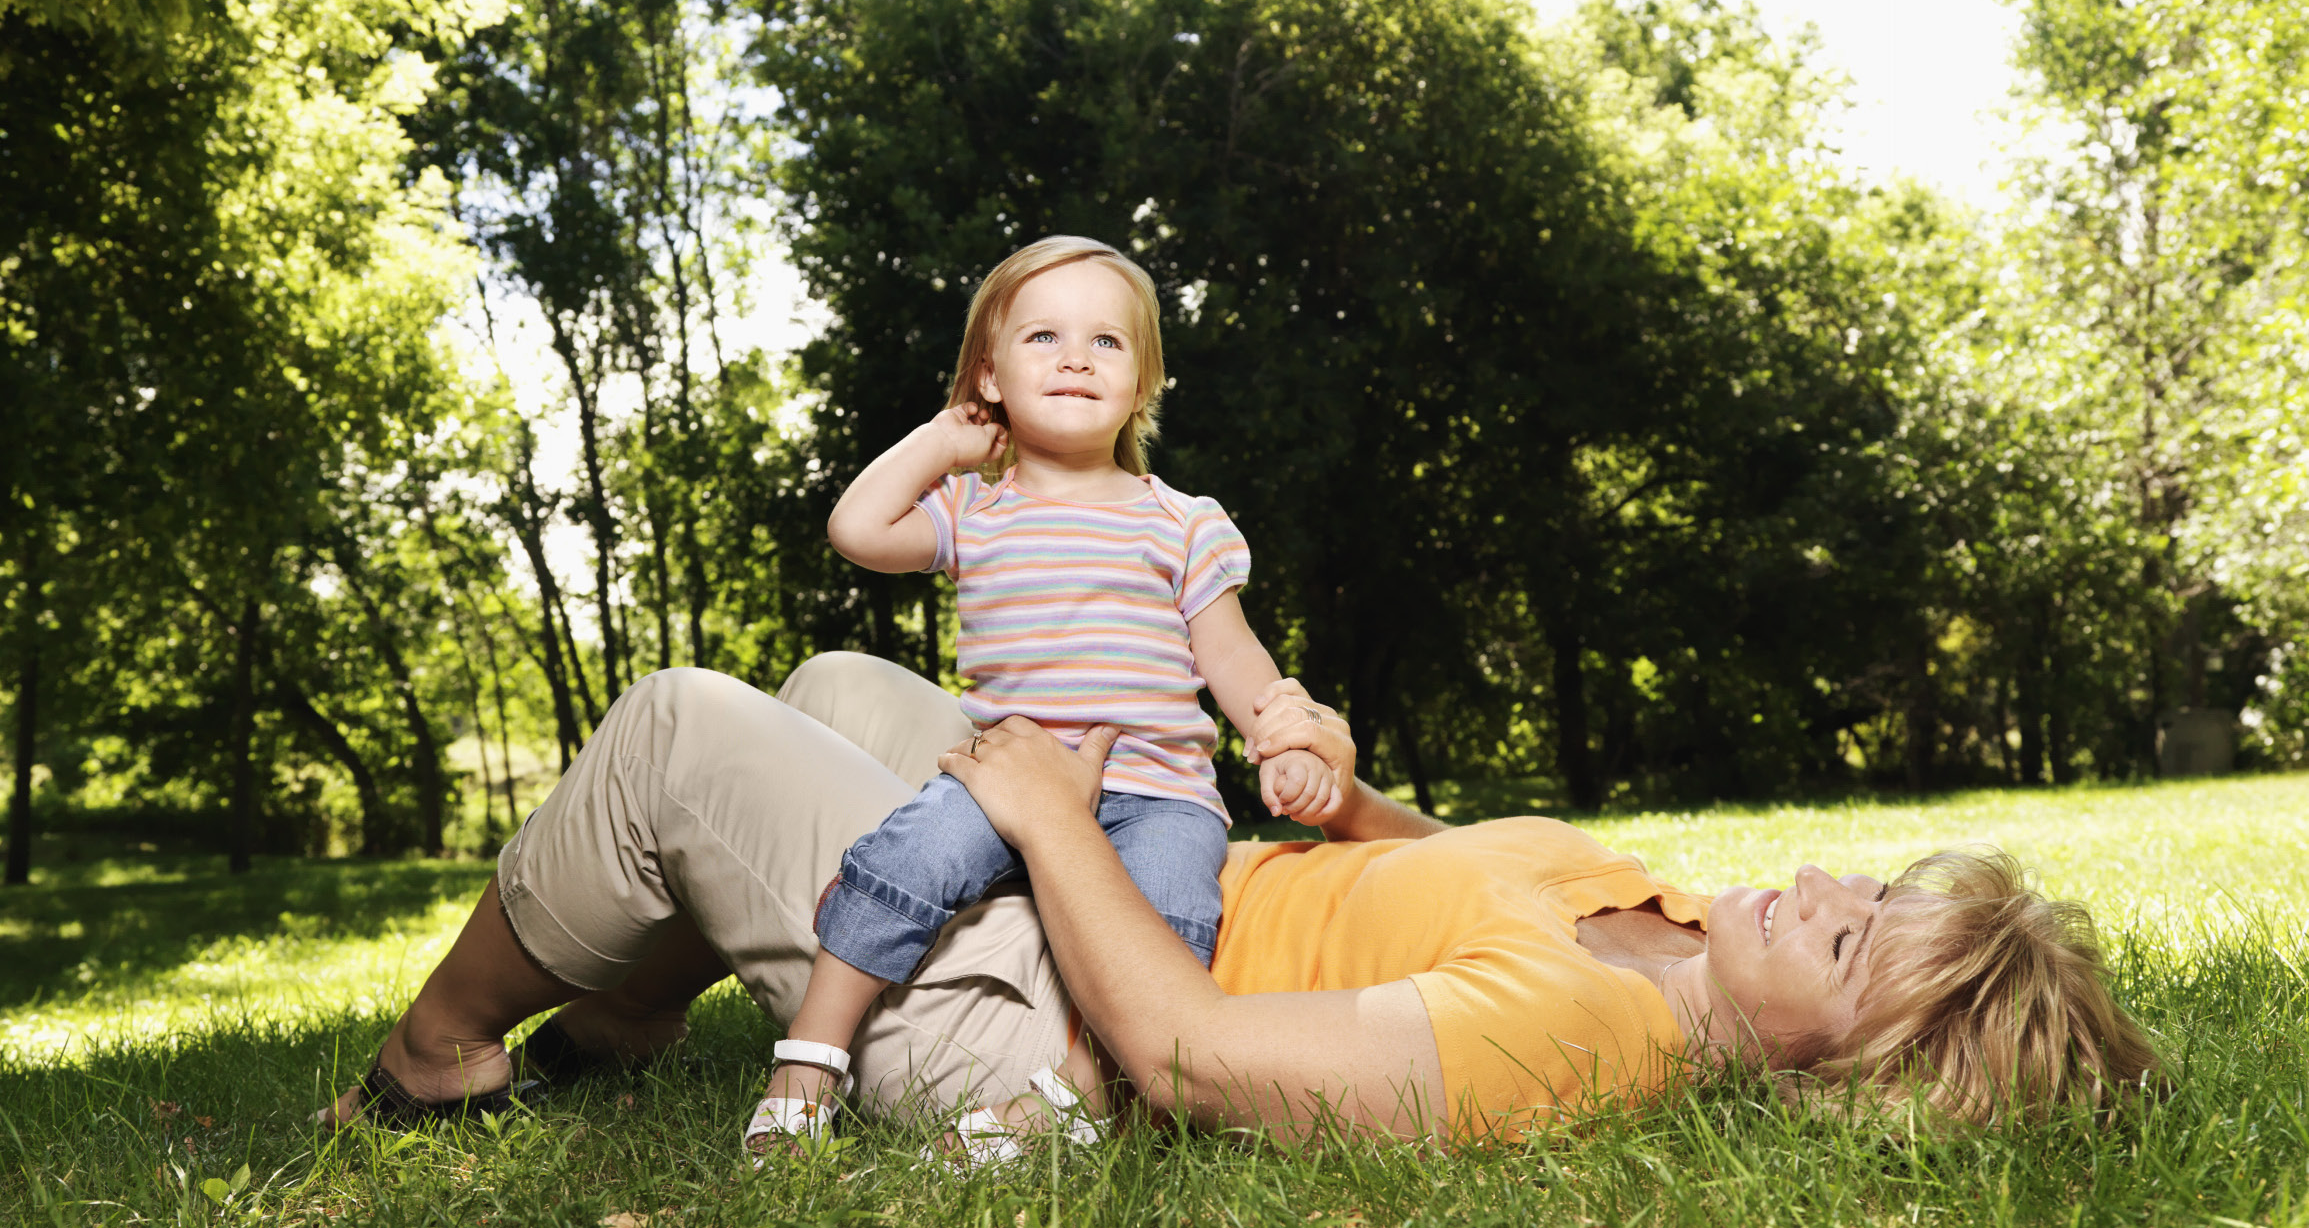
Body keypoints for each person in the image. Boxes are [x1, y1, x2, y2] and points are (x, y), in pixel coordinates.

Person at [321, 654, 2158, 1147]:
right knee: (835, 691)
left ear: (1835, 1066)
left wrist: (1049, 819)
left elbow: (1188, 1058)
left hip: (1043, 1019)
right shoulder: (1655, 913)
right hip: (1119, 896)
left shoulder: (1579, 1039)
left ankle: (437, 1056)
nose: (1816, 883)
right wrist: (1330, 783)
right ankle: (634, 1008)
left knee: (676, 735)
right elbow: (1441, 873)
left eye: (1840, 940)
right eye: (1860, 886)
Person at [757, 235, 1341, 1155]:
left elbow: (1235, 658)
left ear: (1142, 382)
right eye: (1042, 337)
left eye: (1107, 342)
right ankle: (812, 1051)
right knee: (908, 853)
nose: (1075, 356)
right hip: (1009, 782)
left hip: (1156, 794)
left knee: (1162, 922)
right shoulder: (972, 510)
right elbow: (856, 528)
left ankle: (1081, 1095)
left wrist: (1289, 735)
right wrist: (940, 443)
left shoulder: (1183, 522)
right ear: (988, 377)